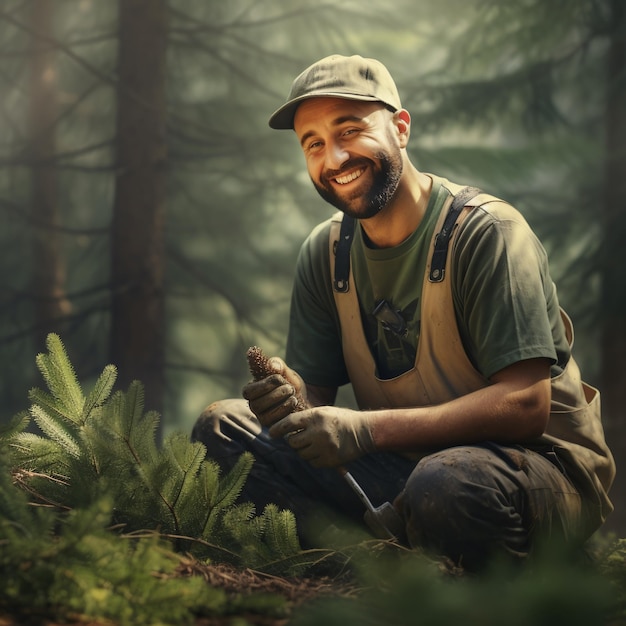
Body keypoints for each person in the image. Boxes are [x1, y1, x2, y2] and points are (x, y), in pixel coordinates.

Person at [192, 54, 615, 571]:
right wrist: (290, 395)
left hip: (531, 473)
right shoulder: (325, 254)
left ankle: (523, 575)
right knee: (223, 428)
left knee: (448, 484)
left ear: (400, 127)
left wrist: (364, 431)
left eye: (350, 130)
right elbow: (318, 399)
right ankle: (369, 569)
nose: (335, 157)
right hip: (404, 471)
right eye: (314, 144)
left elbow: (527, 405)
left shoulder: (488, 234)